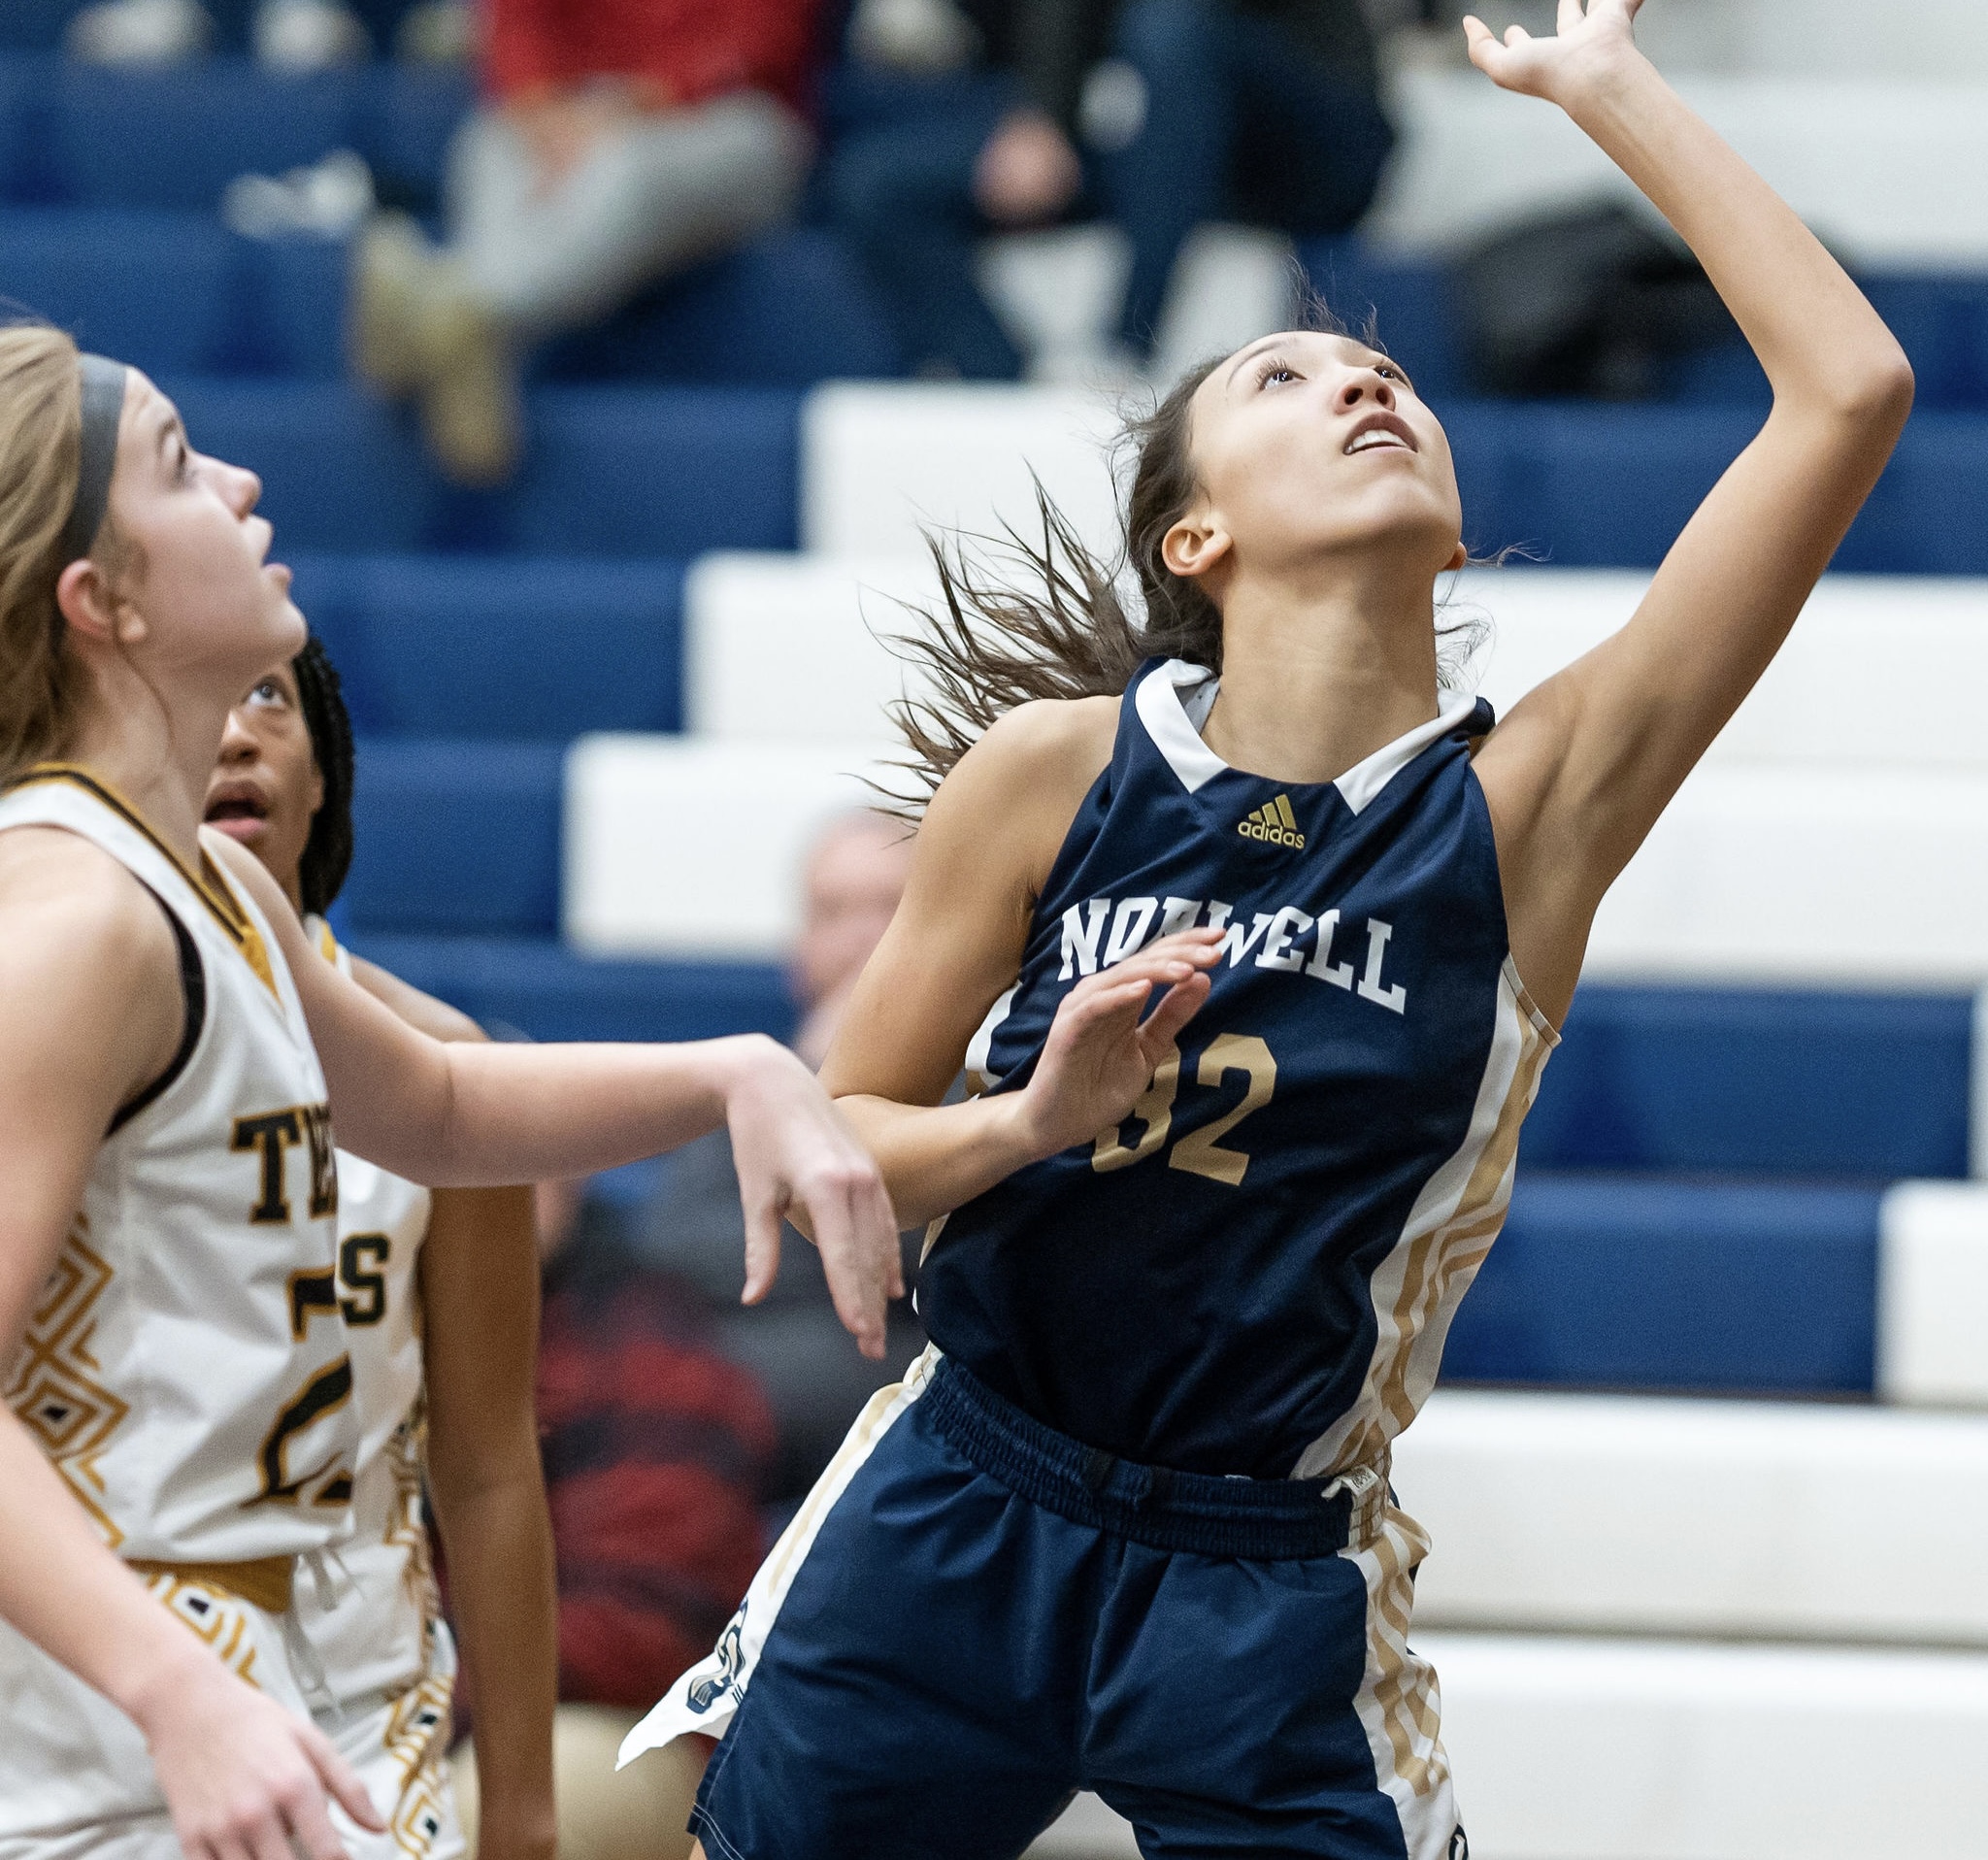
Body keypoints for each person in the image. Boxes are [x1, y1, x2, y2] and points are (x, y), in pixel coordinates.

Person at [621, 3, 1914, 1853]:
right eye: (1281, 383)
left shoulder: (1524, 808)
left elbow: (1846, 393)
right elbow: (848, 1148)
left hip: (1265, 1563)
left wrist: (1604, 90)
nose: (1360, 387)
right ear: (1193, 544)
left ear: (1458, 529)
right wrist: (1021, 1127)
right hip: (961, 1490)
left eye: (1382, 375)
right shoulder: (1052, 768)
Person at [0, 326, 897, 1860]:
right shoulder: (70, 920)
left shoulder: (210, 883)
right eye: (175, 465)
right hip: (112, 1754)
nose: (240, 476)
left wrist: (740, 1070)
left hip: (317, 1712)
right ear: (108, 603)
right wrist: (178, 1697)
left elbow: (441, 1108)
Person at [202, 640, 555, 1860]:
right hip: (97, 1668)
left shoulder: (445, 1067)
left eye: (266, 697)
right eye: (193, 698)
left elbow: (491, 1464)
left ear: (322, 778)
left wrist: (520, 1804)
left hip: (359, 1696)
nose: (235, 732)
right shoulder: (43, 1030)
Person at [351, 0, 819, 483]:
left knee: (625, 173)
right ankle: (469, 310)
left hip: (726, 117)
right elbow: (517, 28)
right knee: (489, 144)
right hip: (570, 111)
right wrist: (545, 113)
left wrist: (624, 111)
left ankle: (461, 300)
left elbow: (759, 47)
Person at [825, 0, 1392, 379]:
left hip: (1299, 147)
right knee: (875, 184)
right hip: (1142, 139)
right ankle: (1008, 382)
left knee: (1172, 26)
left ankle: (1125, 352)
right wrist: (1043, 118)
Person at [635, 809, 925, 1506]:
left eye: (890, 906)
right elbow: (676, 1250)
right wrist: (813, 1073)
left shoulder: (990, 1084)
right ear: (799, 948)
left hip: (904, 1417)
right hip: (729, 1428)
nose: (862, 940)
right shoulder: (749, 1082)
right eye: (833, 912)